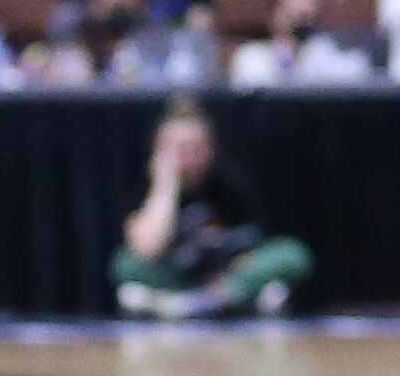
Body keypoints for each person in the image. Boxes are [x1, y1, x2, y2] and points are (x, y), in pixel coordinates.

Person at [115, 100, 312, 321]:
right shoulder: (146, 188)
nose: (185, 159)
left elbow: (254, 244)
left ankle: (202, 302)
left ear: (209, 149)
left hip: (224, 279)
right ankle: (203, 300)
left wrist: (231, 274)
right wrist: (165, 187)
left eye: (193, 149)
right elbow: (146, 248)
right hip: (176, 277)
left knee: (292, 253)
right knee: (125, 264)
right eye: (177, 149)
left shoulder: (229, 184)